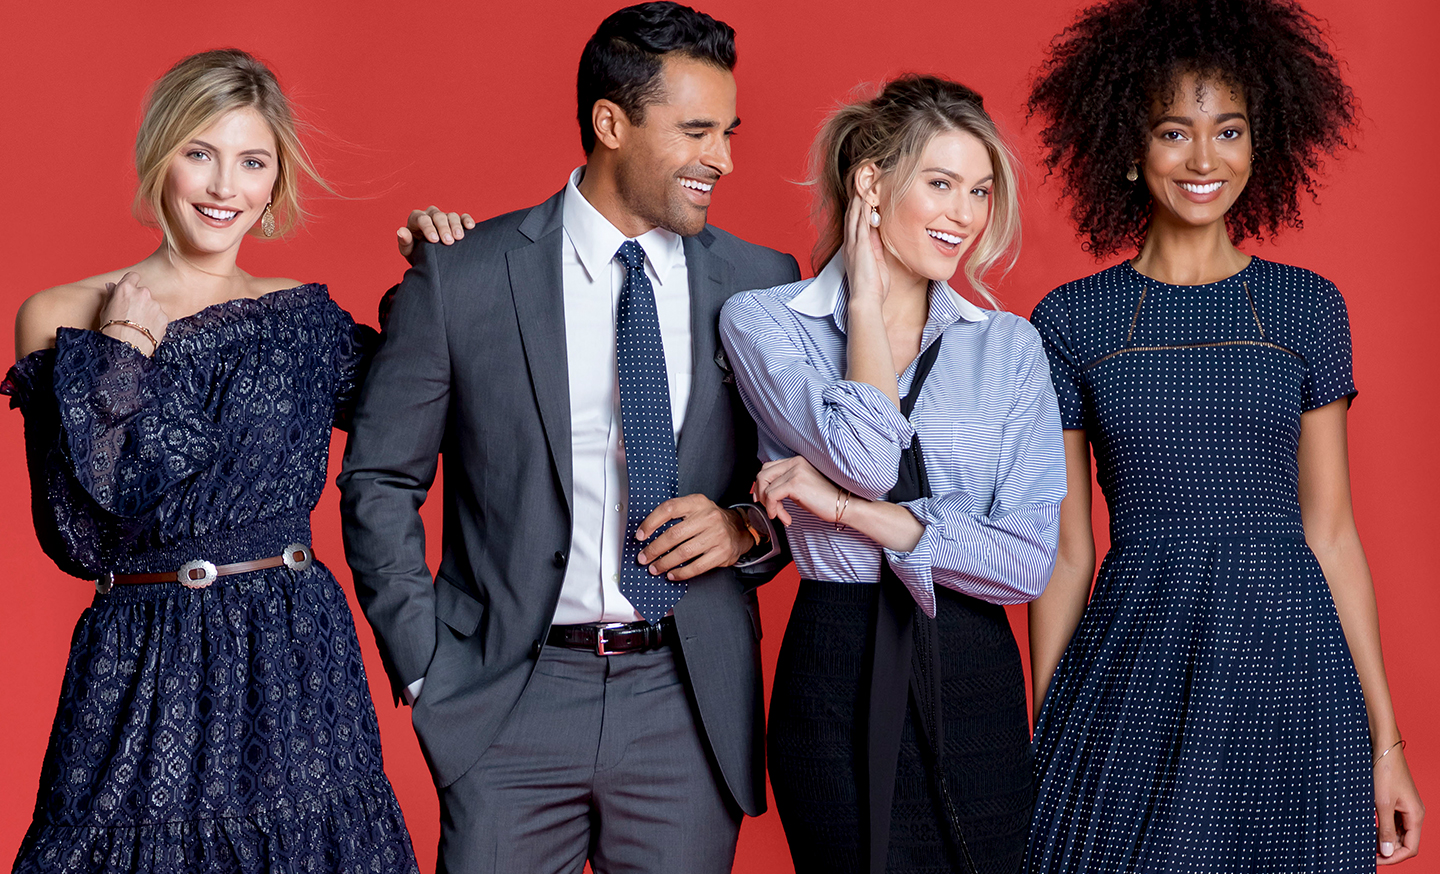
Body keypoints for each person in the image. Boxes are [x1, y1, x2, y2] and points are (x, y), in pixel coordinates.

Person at [336, 4, 799, 872]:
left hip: (685, 703)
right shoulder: (465, 274)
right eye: (697, 132)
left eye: (727, 133)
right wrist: (426, 666)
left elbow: (796, 481)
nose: (724, 159)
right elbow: (380, 478)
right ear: (611, 123)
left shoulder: (762, 283)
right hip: (508, 700)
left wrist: (743, 528)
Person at [1023, 0, 1425, 870]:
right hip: (1138, 663)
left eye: (1229, 130)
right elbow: (1066, 551)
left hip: (1295, 672)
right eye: (1174, 132)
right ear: (1128, 147)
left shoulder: (1307, 308)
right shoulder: (1071, 321)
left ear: (1259, 142)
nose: (1204, 159)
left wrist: (1386, 744)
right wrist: (1050, 729)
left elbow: (1331, 532)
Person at [3, 49, 423, 873]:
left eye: (252, 161)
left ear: (275, 181)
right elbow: (77, 538)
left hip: (293, 650)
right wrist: (122, 356)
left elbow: (421, 407)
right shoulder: (62, 314)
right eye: (200, 153)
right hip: (142, 656)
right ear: (160, 155)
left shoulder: (302, 321)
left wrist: (440, 282)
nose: (225, 186)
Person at [719, 75, 1066, 874]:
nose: (964, 215)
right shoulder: (767, 322)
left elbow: (1024, 564)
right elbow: (870, 461)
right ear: (870, 184)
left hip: (973, 668)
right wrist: (865, 302)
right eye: (940, 184)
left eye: (979, 191)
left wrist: (844, 510)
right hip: (835, 665)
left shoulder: (1010, 346)